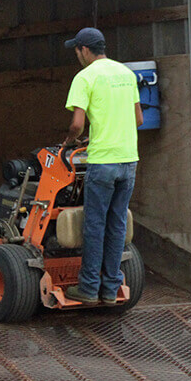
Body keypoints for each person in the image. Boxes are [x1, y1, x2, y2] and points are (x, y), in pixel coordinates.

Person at [61, 28, 143, 305]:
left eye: (76, 51)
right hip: (128, 160)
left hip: (103, 162)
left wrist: (69, 141)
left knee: (94, 225)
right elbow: (139, 119)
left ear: (84, 50)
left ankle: (88, 289)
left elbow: (76, 124)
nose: (77, 55)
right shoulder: (126, 74)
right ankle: (109, 290)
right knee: (117, 224)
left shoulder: (85, 77)